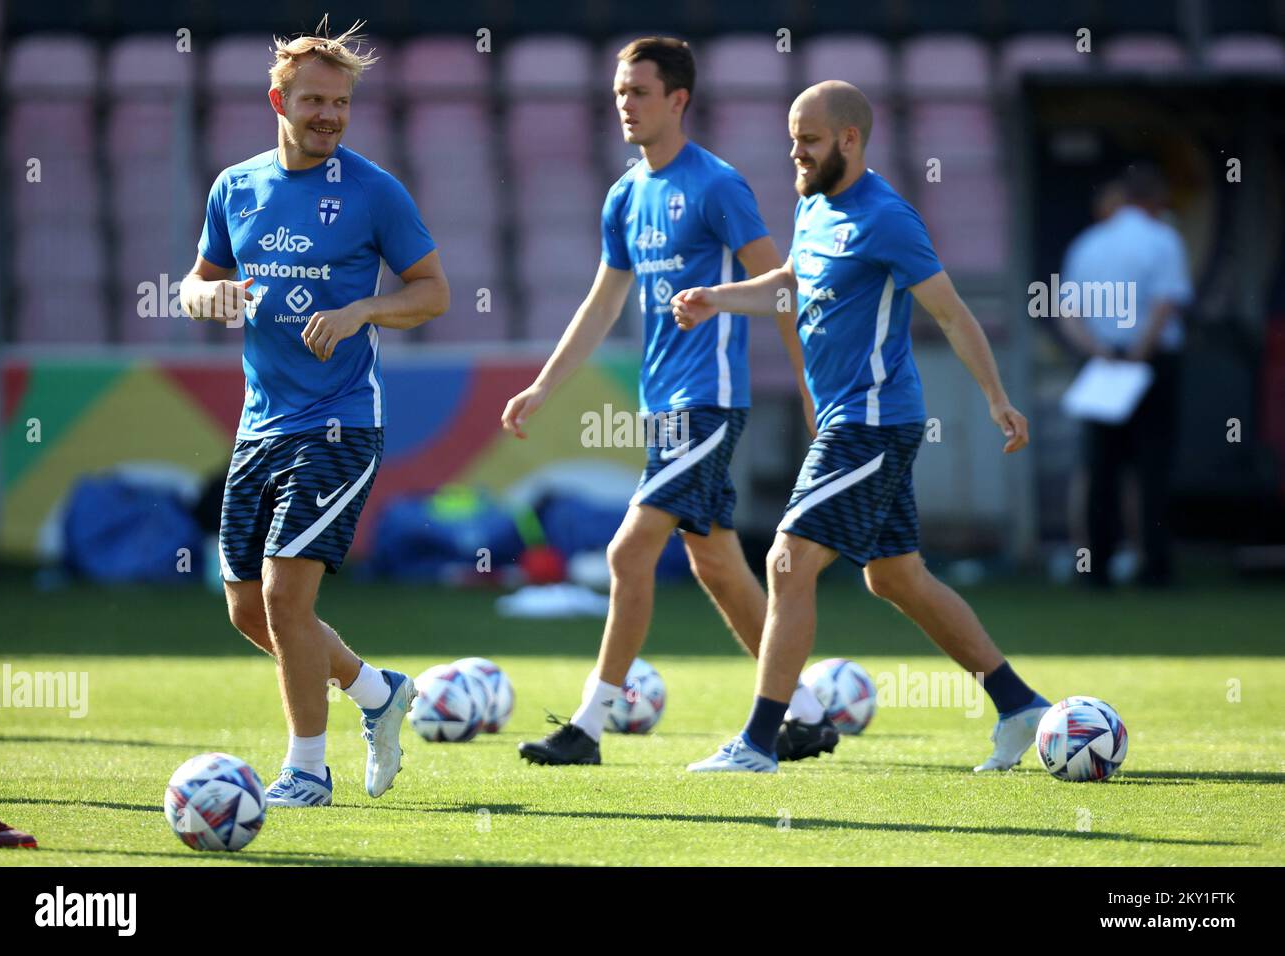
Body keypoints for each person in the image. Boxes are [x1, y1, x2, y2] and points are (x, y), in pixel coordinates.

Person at [675, 81, 1049, 774]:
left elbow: (950, 312)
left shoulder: (888, 217)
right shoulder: (813, 203)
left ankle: (758, 744)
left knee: (785, 563)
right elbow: (791, 282)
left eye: (809, 140)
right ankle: (1021, 705)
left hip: (871, 423)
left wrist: (996, 397)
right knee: (896, 578)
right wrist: (716, 298)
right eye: (792, 138)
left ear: (849, 139)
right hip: (856, 422)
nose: (796, 151)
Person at [502, 36, 833, 766]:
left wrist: (812, 387)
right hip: (664, 410)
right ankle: (804, 713)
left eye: (639, 92)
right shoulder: (625, 194)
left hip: (709, 404)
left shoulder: (717, 185)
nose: (625, 104)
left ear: (677, 99)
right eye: (620, 91)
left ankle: (588, 726)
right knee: (717, 564)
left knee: (626, 554)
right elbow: (601, 302)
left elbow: (784, 284)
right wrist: (543, 386)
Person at [179, 18, 449, 806]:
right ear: (279, 100)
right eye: (314, 101)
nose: (330, 115)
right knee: (246, 609)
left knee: (285, 598)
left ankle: (305, 770)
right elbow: (195, 284)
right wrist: (212, 295)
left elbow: (432, 292)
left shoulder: (374, 190)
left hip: (340, 421)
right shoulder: (236, 186)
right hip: (260, 423)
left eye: (340, 103)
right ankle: (375, 692)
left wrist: (363, 310)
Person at [1058, 163, 1192, 588]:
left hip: (1102, 363)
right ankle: (1153, 567)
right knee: (1152, 468)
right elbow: (1164, 304)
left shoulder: (1089, 243)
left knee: (1100, 469)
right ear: (1154, 202)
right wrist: (1139, 354)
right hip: (1147, 363)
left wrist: (1099, 351)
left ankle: (1095, 568)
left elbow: (1068, 311)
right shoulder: (1163, 239)